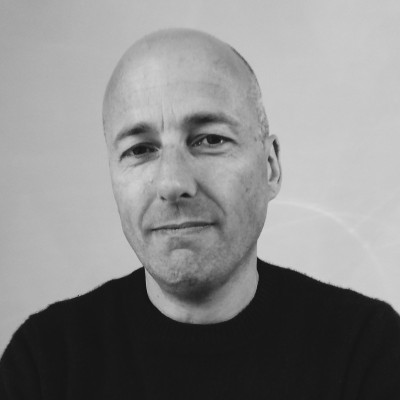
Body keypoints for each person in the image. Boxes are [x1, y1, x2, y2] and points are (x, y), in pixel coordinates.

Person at [1, 28, 399, 399]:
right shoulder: (45, 363)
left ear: (270, 167)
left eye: (210, 140)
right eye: (140, 149)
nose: (173, 183)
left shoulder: (368, 350)